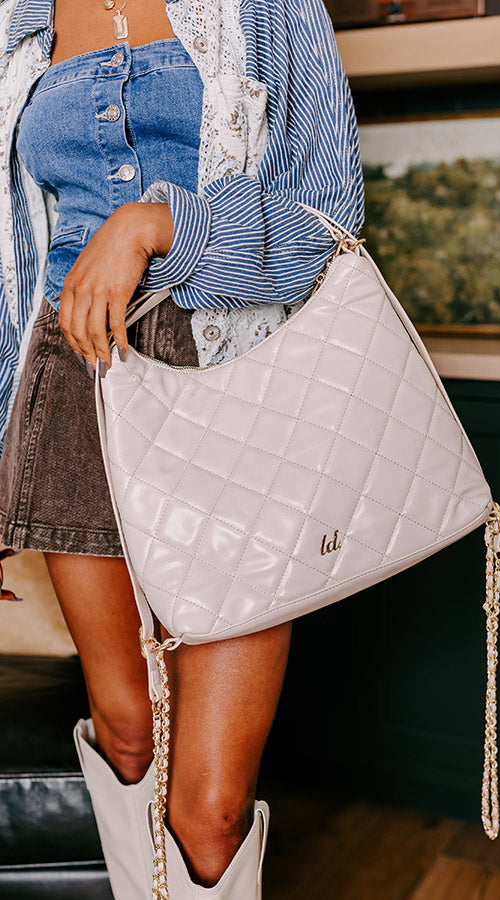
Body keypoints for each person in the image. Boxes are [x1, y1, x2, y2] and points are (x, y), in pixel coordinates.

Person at [0, 0, 364, 894]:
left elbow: (329, 223)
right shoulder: (19, 21)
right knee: (125, 730)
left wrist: (160, 225)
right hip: (71, 392)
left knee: (209, 810)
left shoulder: (275, 10)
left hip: (232, 391)